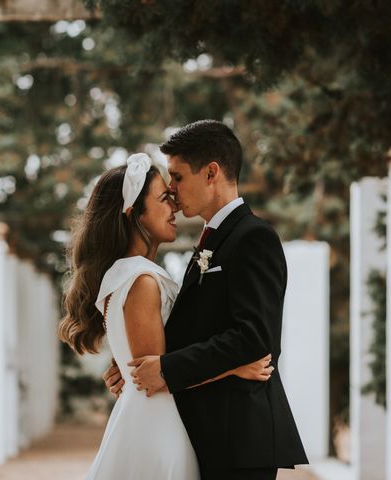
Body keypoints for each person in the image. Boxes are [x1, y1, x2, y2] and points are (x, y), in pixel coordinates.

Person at [104, 120, 309, 479]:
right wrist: (132, 365)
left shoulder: (253, 237)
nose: (172, 188)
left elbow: (256, 339)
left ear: (211, 173)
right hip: (209, 435)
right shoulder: (211, 241)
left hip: (239, 439)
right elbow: (198, 328)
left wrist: (166, 370)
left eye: (178, 177)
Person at [59, 153, 273, 480]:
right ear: (133, 215)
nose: (173, 206)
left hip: (147, 419)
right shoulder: (142, 281)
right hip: (156, 426)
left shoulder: (127, 274)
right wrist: (234, 367)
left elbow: (151, 366)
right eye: (163, 198)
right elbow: (156, 376)